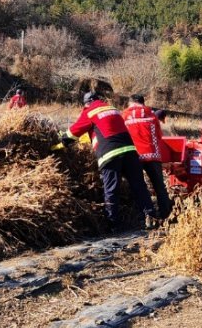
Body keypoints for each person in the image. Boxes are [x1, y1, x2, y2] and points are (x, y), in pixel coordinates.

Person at [66, 90, 157, 230]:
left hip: (110, 154)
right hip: (130, 151)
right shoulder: (113, 109)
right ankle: (150, 217)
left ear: (87, 104)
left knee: (111, 189)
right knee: (139, 185)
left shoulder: (90, 111)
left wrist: (61, 141)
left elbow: (74, 132)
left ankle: (113, 224)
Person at [124, 94, 172, 221]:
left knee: (140, 187)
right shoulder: (151, 114)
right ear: (142, 103)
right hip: (153, 155)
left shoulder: (124, 115)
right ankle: (166, 215)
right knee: (159, 186)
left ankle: (149, 216)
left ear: (131, 103)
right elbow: (159, 135)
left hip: (135, 156)